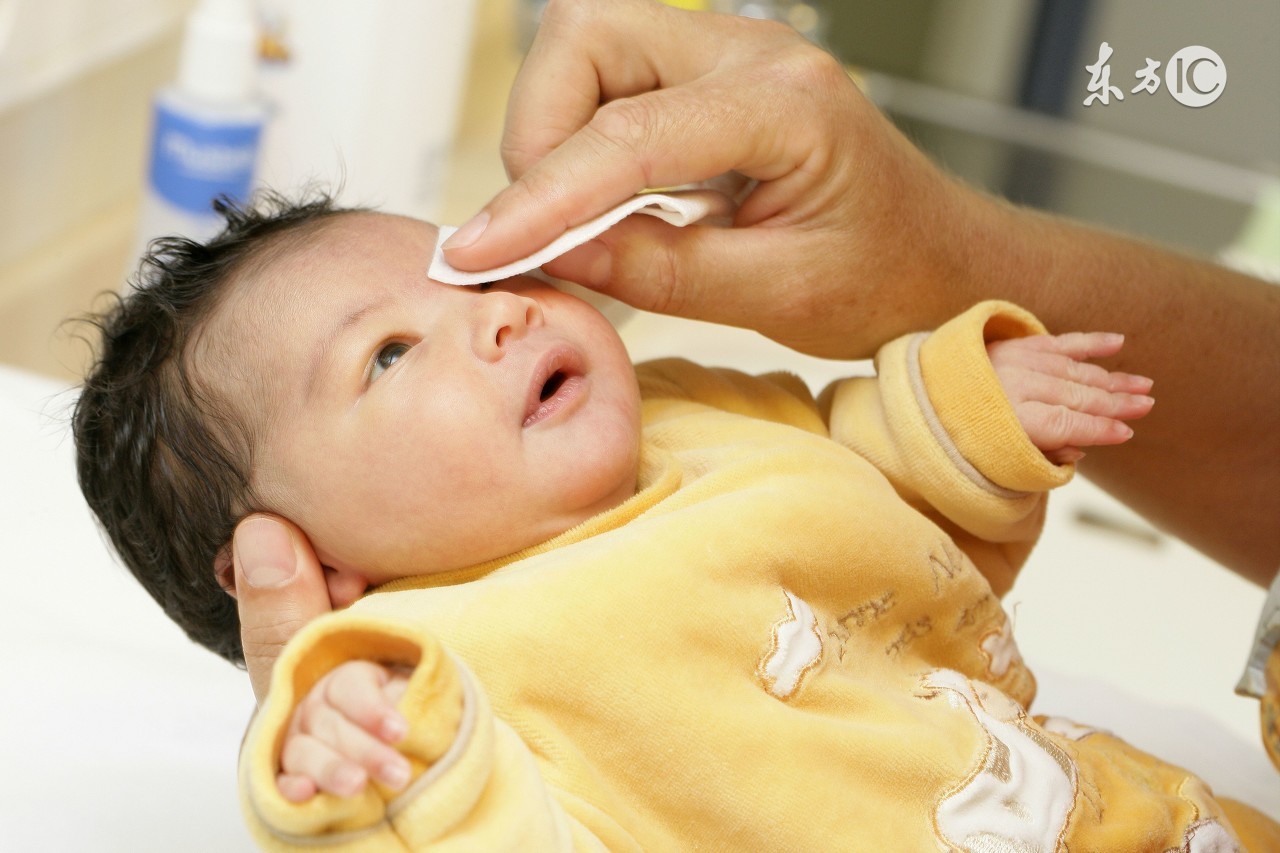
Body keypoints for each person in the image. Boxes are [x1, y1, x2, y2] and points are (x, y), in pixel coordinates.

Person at [75, 193, 1280, 848]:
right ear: (312, 562)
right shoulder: (445, 676)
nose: (496, 320)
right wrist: (360, 757)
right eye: (389, 353)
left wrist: (971, 415)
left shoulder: (688, 413)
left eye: (482, 282)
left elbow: (870, 477)